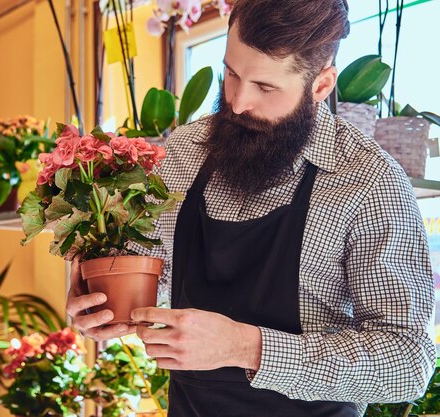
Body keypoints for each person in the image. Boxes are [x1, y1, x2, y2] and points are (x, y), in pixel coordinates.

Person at [66, 0, 436, 415]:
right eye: (231, 73)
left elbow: (406, 363)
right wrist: (94, 296)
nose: (238, 102)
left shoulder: (368, 182)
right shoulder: (186, 151)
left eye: (265, 87)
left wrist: (245, 347)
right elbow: (150, 269)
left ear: (321, 85)